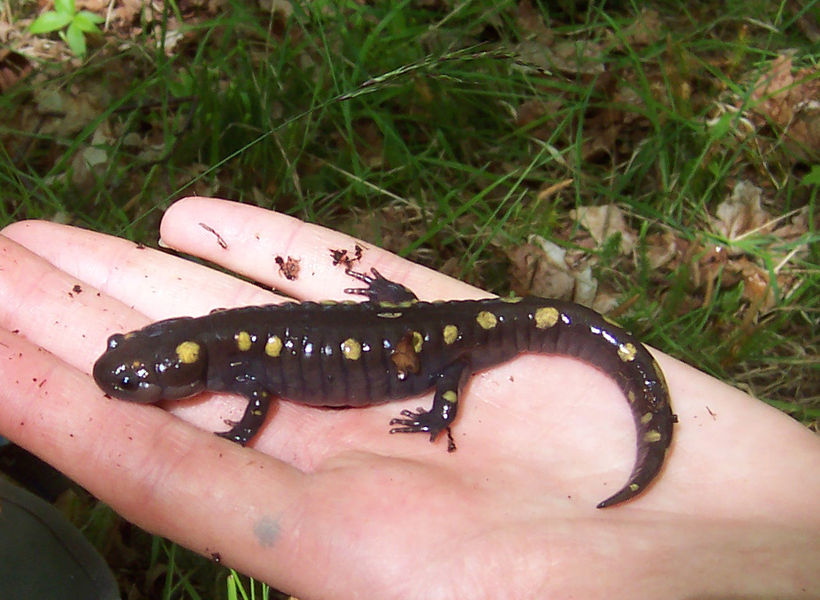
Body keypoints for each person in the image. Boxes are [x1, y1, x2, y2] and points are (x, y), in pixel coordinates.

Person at [0, 197, 817, 599]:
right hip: (419, 329)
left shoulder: (233, 362)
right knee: (426, 338)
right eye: (132, 368)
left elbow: (252, 411)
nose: (132, 378)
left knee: (445, 360)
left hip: (436, 345)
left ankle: (447, 403)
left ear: (180, 362)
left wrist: (438, 408)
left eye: (140, 373)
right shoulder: (222, 347)